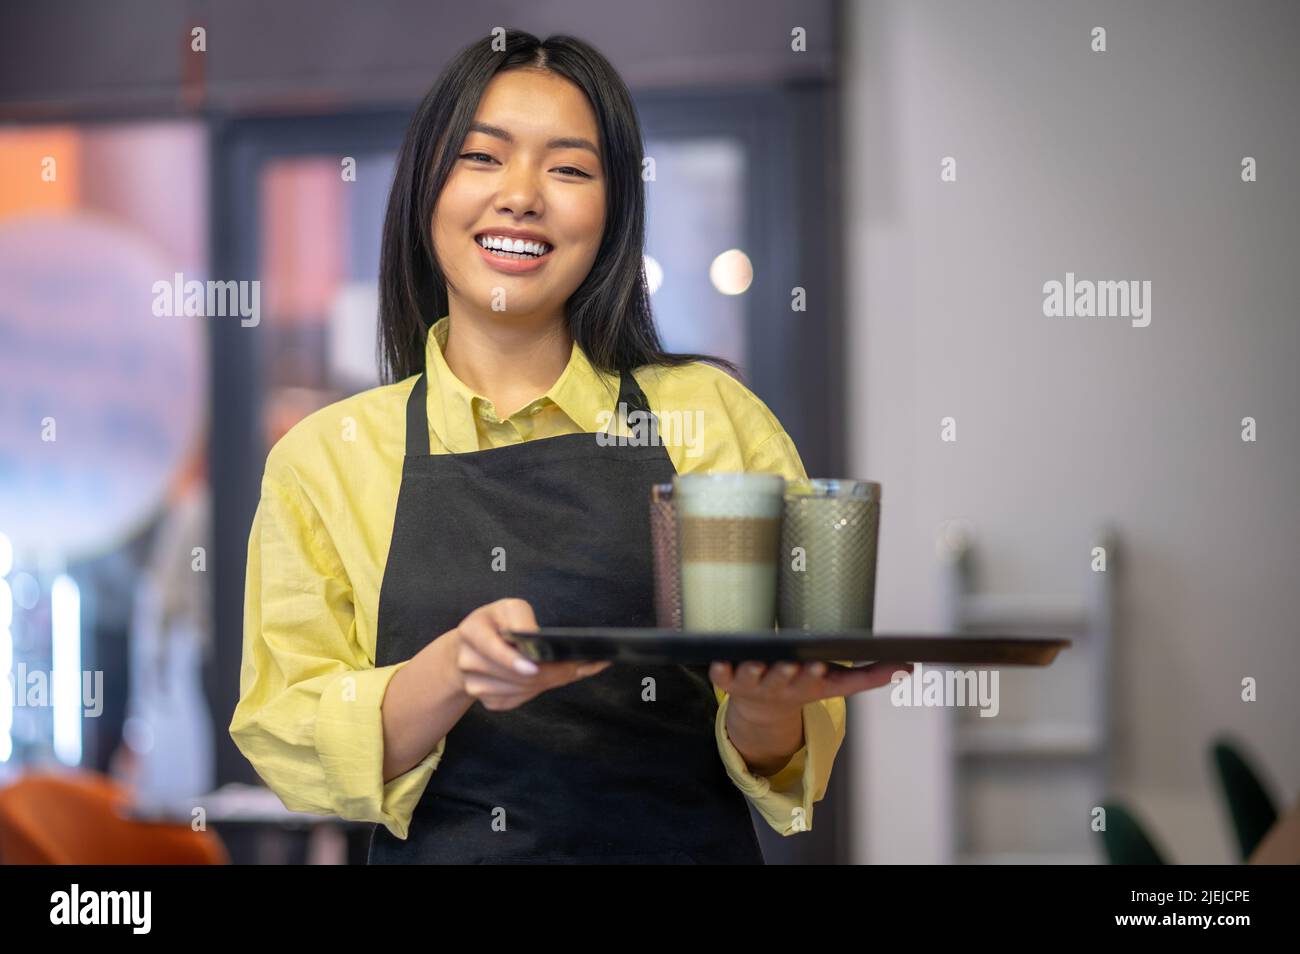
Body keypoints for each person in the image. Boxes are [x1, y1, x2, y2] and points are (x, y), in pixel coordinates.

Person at [230, 30, 905, 865]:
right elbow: (288, 741)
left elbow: (787, 753)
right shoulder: (327, 458)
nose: (521, 195)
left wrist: (767, 705)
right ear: (423, 190)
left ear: (613, 213)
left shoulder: (709, 416)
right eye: (482, 157)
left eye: (570, 168)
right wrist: (449, 672)